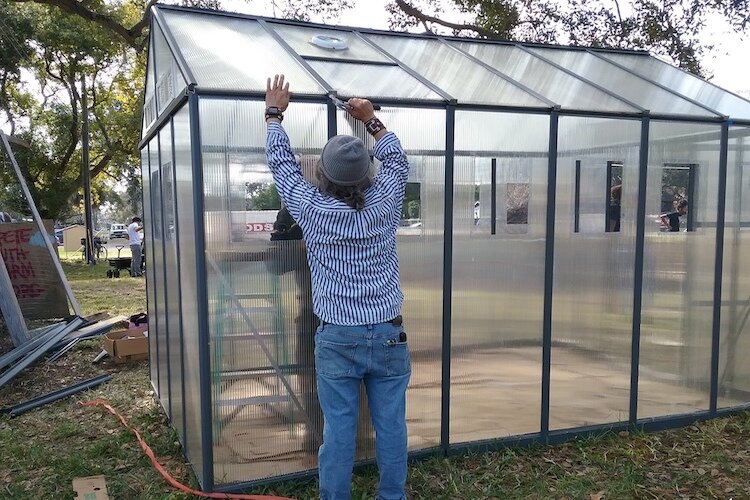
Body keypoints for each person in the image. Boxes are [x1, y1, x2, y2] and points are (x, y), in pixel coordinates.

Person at [265, 74, 411, 500]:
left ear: (323, 176)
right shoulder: (385, 202)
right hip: (388, 333)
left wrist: (275, 114)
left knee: (339, 432)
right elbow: (398, 161)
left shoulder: (312, 209)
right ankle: (392, 496)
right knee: (392, 427)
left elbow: (283, 167)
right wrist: (372, 121)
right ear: (368, 173)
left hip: (337, 336)